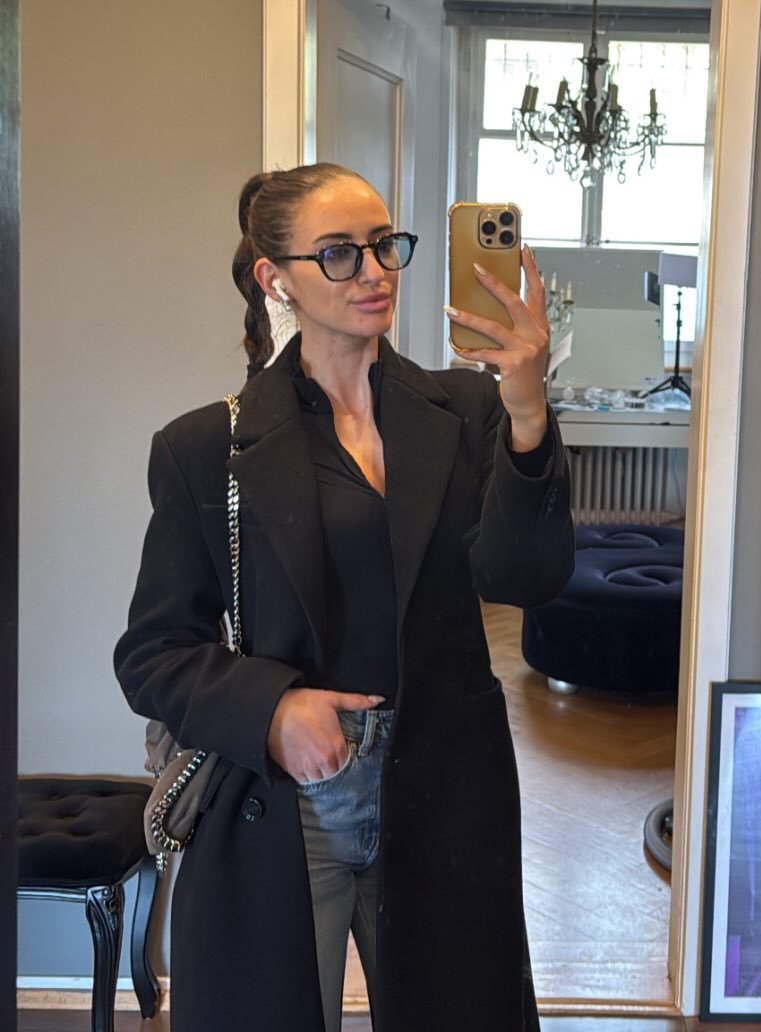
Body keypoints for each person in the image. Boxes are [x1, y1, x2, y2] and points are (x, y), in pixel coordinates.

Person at [114, 162, 575, 1032]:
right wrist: (272, 709)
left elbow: (527, 580)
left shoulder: (467, 411)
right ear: (274, 277)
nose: (373, 271)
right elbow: (152, 653)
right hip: (284, 799)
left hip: (444, 785)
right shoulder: (204, 447)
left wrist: (527, 414)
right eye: (338, 253)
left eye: (383, 245)